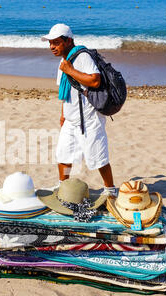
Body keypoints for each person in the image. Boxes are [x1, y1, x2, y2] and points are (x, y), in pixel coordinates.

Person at [41, 23, 117, 196]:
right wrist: (63, 115)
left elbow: (95, 80)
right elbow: (66, 92)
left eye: (56, 42)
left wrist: (70, 70)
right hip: (71, 119)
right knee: (63, 155)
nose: (52, 46)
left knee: (98, 157)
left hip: (89, 118)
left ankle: (110, 190)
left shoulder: (82, 57)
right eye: (50, 43)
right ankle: (63, 186)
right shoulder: (63, 61)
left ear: (68, 41)